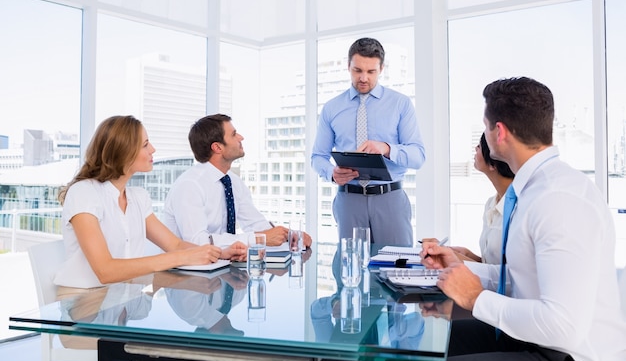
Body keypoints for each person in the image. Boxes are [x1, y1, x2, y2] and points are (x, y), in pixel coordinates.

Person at [421, 77, 626, 361]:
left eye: (485, 125)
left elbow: (563, 326)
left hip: (568, 356)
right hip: (531, 336)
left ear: (499, 132)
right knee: (426, 345)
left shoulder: (559, 198)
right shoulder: (532, 189)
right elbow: (519, 277)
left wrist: (476, 297)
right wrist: (461, 267)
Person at [53, 115, 247, 290]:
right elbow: (105, 271)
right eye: (145, 145)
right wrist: (182, 257)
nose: (153, 149)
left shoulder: (138, 197)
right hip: (82, 305)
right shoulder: (84, 193)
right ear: (124, 152)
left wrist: (219, 253)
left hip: (122, 300)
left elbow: (176, 244)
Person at [311, 37, 426, 245]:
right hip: (349, 199)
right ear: (348, 67)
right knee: (351, 268)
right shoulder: (331, 108)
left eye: (371, 72)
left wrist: (387, 148)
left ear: (381, 68)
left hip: (390, 198)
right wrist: (331, 173)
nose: (363, 78)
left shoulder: (401, 104)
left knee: (396, 268)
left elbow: (418, 156)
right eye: (357, 70)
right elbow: (318, 157)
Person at [162, 114, 312, 248]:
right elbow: (197, 242)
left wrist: (289, 236)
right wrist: (259, 239)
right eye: (234, 135)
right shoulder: (190, 185)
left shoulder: (232, 181)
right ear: (217, 147)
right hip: (186, 274)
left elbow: (255, 223)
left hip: (220, 266)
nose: (241, 137)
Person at [444, 133, 514, 264]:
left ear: (494, 163)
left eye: (480, 146)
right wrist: (468, 255)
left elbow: (510, 277)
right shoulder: (491, 204)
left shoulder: (519, 208)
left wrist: (456, 259)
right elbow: (491, 267)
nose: (476, 148)